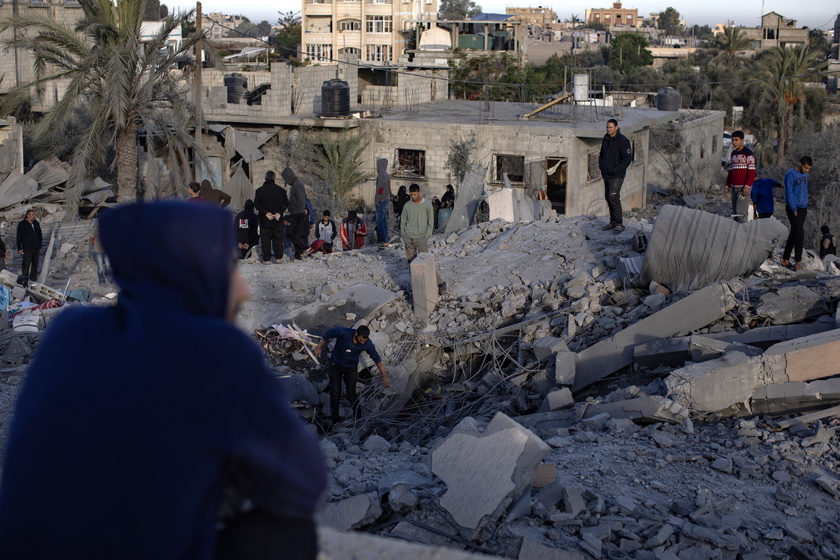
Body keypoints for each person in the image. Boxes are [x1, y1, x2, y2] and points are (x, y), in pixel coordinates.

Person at [0, 201, 327, 560]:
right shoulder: (217, 349)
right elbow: (302, 486)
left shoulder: (69, 330)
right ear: (193, 271)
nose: (244, 291)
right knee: (291, 535)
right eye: (229, 268)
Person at [314, 325, 390, 425]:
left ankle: (358, 417)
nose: (362, 342)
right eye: (361, 340)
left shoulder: (367, 343)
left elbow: (376, 358)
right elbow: (328, 334)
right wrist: (319, 347)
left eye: (364, 341)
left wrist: (385, 377)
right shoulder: (343, 332)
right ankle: (335, 419)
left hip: (351, 368)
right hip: (336, 365)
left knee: (351, 394)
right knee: (336, 392)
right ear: (356, 334)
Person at [400, 184, 444, 292]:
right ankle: (418, 287)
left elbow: (431, 222)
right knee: (412, 265)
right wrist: (404, 235)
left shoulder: (427, 204)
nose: (413, 197)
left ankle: (440, 283)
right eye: (411, 195)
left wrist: (426, 236)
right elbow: (403, 221)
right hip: (408, 238)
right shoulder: (407, 205)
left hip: (421, 238)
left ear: (419, 192)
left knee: (426, 263)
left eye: (415, 194)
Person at [598, 118, 632, 234]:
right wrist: (602, 167)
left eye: (611, 127)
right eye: (607, 127)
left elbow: (627, 159)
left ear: (616, 128)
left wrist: (615, 170)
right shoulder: (606, 139)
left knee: (614, 196)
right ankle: (612, 221)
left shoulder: (623, 141)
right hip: (606, 174)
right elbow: (601, 154)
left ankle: (619, 223)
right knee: (608, 197)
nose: (608, 129)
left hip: (617, 175)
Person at [781, 156, 813, 270]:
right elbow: (788, 192)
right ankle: (798, 261)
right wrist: (793, 208)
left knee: (794, 233)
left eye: (809, 168)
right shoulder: (791, 174)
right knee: (800, 233)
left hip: (803, 207)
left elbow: (804, 190)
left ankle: (785, 259)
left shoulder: (806, 175)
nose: (807, 170)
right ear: (800, 164)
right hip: (793, 207)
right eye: (805, 167)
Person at [254, 170, 289, 264]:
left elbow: (257, 204)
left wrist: (266, 212)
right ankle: (278, 258)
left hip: (265, 219)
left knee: (265, 239)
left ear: (265, 179)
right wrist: (279, 212)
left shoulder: (259, 191)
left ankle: (267, 259)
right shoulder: (281, 190)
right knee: (278, 238)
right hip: (277, 219)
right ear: (274, 179)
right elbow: (286, 203)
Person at [724, 131, 756, 223]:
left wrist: (747, 187)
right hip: (734, 188)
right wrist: (727, 186)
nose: (734, 142)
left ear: (742, 140)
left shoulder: (748, 154)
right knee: (735, 213)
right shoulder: (733, 154)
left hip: (743, 188)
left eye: (736, 140)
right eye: (733, 140)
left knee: (740, 213)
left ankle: (744, 233)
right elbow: (731, 172)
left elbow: (752, 173)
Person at [282, 167, 309, 260]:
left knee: (289, 234)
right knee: (296, 234)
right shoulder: (295, 185)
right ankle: (298, 254)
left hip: (297, 213)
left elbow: (301, 201)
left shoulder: (297, 185)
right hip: (296, 212)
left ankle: (305, 246)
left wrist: (292, 207)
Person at [16, 208, 42, 280]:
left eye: (34, 215)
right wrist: (19, 248)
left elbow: (39, 234)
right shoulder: (22, 224)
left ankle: (33, 280)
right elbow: (19, 237)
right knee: (26, 264)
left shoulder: (36, 223)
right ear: (28, 215)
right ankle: (24, 279)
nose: (34, 216)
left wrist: (39, 244)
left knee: (35, 265)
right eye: (32, 215)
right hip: (27, 248)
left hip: (36, 247)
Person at [374, 158, 392, 245]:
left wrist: (377, 200)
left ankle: (383, 240)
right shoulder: (387, 175)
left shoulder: (381, 175)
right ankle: (386, 237)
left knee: (379, 221)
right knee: (384, 220)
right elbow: (389, 188)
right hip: (387, 198)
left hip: (381, 200)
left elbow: (380, 189)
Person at [89, 219, 112, 286]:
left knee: (108, 265)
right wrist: (95, 246)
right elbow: (92, 238)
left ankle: (107, 275)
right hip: (98, 251)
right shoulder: (96, 229)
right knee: (100, 267)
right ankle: (101, 281)